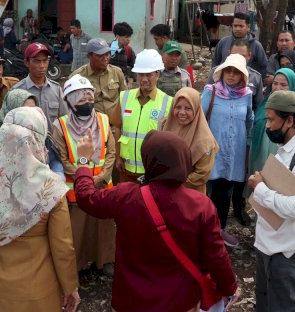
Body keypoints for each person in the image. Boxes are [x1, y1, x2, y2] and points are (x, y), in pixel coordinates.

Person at [73, 129, 239, 311]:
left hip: (131, 300)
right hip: (179, 302)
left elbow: (86, 198)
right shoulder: (200, 205)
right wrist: (228, 288)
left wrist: (83, 161)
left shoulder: (126, 196)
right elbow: (216, 256)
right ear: (184, 161)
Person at [0, 107, 80, 312]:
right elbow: (62, 247)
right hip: (37, 290)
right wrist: (70, 286)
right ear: (37, 140)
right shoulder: (51, 189)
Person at [247, 90, 295, 312]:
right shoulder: (286, 150)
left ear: (290, 120)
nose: (268, 126)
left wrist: (260, 188)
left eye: (272, 120)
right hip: (268, 246)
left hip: (286, 254)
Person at [52, 74, 116, 276]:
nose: (87, 103)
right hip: (76, 192)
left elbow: (111, 152)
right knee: (77, 231)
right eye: (81, 100)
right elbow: (63, 160)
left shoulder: (103, 120)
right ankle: (78, 265)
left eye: (90, 99)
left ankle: (105, 260)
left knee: (104, 228)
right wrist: (85, 177)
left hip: (103, 187)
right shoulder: (60, 126)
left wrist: (103, 176)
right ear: (70, 102)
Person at [202, 53, 254, 247]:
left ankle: (219, 232)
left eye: (236, 72)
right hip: (211, 152)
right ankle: (204, 231)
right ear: (222, 72)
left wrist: (247, 148)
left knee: (225, 194)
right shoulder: (211, 92)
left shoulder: (246, 95)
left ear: (242, 76)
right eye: (228, 71)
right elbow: (199, 119)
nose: (231, 75)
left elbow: (249, 121)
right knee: (207, 192)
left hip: (234, 154)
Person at [110, 49, 172, 183]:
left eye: (148, 74)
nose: (144, 79)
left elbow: (168, 141)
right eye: (140, 74)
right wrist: (118, 157)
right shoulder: (125, 97)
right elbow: (117, 129)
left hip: (152, 171)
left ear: (157, 74)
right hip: (126, 169)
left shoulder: (168, 102)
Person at [249, 68, 295, 174]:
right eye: (275, 83)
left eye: (283, 84)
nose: (278, 88)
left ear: (292, 86)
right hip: (259, 157)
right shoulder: (265, 105)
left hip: (283, 161)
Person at [162, 87, 218, 193]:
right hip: (166, 191)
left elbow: (202, 174)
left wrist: (173, 181)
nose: (182, 112)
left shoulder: (205, 140)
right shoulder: (166, 126)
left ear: (196, 109)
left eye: (188, 108)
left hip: (190, 195)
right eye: (178, 107)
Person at [12, 42, 68, 126]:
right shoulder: (17, 91)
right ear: (26, 62)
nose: (42, 66)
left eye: (45, 61)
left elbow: (64, 119)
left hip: (53, 138)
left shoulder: (56, 89)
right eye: (36, 61)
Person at [70, 38, 126, 116]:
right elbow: (70, 104)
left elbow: (125, 98)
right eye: (100, 55)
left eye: (107, 54)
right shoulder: (78, 77)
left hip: (115, 123)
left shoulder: (117, 72)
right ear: (89, 56)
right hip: (91, 124)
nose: (105, 58)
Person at [207, 39, 264, 111]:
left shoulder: (256, 78)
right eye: (234, 55)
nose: (238, 58)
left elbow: (259, 107)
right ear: (229, 54)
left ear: (249, 56)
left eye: (242, 56)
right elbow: (206, 101)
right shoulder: (216, 72)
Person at [212, 12, 268, 79]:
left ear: (248, 27)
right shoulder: (223, 42)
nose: (237, 29)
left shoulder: (256, 45)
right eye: (235, 26)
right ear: (232, 26)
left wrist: (255, 82)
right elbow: (215, 61)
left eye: (241, 26)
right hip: (225, 83)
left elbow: (263, 67)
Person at [110, 22, 136, 86]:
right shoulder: (107, 50)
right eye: (126, 37)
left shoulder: (129, 50)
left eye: (129, 37)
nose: (129, 39)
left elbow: (135, 66)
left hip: (124, 84)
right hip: (109, 84)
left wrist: (130, 81)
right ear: (117, 36)